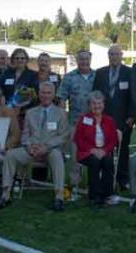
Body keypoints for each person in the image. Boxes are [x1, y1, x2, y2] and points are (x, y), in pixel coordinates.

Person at [0, 82, 69, 211]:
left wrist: (46, 147)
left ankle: (59, 197)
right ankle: (5, 195)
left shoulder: (61, 113)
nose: (45, 95)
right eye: (43, 93)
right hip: (31, 149)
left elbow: (63, 136)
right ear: (39, 94)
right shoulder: (30, 113)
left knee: (57, 156)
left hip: (50, 150)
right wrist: (29, 146)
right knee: (10, 155)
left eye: (48, 93)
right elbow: (25, 135)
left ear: (53, 95)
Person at [92, 45, 134, 189]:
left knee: (123, 150)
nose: (114, 57)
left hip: (124, 119)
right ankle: (106, 177)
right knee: (105, 148)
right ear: (108, 56)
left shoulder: (129, 72)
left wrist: (131, 116)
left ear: (121, 55)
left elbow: (133, 96)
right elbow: (95, 95)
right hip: (103, 119)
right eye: (111, 54)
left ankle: (123, 179)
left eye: (116, 54)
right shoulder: (100, 73)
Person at [73, 91, 119, 207]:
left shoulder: (109, 120)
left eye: (99, 103)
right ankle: (95, 196)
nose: (96, 106)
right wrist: (92, 150)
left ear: (103, 105)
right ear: (89, 105)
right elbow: (78, 139)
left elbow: (113, 140)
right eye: (93, 103)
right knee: (94, 161)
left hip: (104, 151)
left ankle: (107, 193)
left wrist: (104, 151)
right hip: (86, 152)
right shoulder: (84, 119)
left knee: (107, 161)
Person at [58, 50, 95, 190]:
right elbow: (61, 99)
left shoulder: (97, 76)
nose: (84, 62)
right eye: (81, 59)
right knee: (74, 155)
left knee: (93, 153)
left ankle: (93, 183)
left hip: (94, 124)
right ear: (77, 60)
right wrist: (62, 120)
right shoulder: (69, 77)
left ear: (90, 60)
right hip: (75, 122)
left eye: (86, 59)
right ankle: (74, 184)